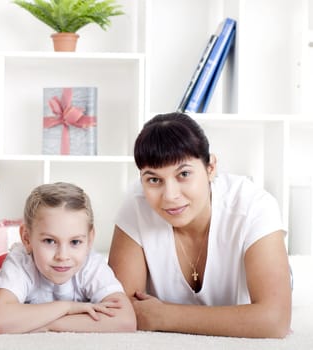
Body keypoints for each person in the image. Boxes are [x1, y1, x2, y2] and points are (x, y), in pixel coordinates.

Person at [108, 112, 292, 338]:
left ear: (210, 167)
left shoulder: (254, 206)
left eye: (183, 174)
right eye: (154, 179)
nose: (170, 196)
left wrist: (162, 316)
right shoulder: (136, 206)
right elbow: (123, 309)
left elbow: (274, 321)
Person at [0, 182, 136, 334]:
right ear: (26, 238)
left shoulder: (91, 264)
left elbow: (126, 320)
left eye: (75, 242)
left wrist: (49, 324)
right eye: (50, 241)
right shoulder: (20, 262)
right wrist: (68, 307)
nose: (63, 256)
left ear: (90, 239)